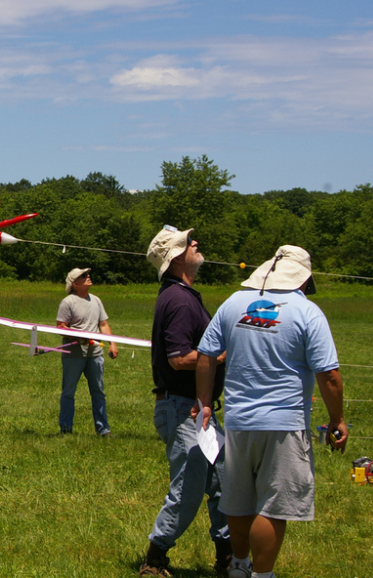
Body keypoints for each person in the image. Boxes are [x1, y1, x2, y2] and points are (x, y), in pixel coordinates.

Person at [193, 245, 347, 578]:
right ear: (303, 280)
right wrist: (337, 420)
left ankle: (238, 565)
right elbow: (330, 376)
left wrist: (205, 402)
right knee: (273, 506)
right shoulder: (307, 312)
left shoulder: (233, 303)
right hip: (284, 423)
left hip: (238, 422)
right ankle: (263, 575)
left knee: (238, 501)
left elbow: (206, 354)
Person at [139, 226, 231, 577]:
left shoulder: (184, 295)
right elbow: (179, 357)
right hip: (182, 408)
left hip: (195, 407)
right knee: (188, 489)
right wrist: (221, 357)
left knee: (222, 480)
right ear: (176, 258)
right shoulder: (178, 299)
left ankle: (228, 558)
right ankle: (155, 558)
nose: (196, 244)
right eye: (188, 243)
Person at [56, 267, 118, 436]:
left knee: (98, 391)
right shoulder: (68, 302)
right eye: (83, 276)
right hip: (74, 353)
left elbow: (103, 324)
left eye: (88, 274)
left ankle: (103, 429)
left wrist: (112, 343)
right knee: (68, 392)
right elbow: (61, 327)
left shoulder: (96, 301)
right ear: (75, 284)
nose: (88, 276)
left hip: (95, 353)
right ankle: (66, 428)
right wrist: (78, 336)